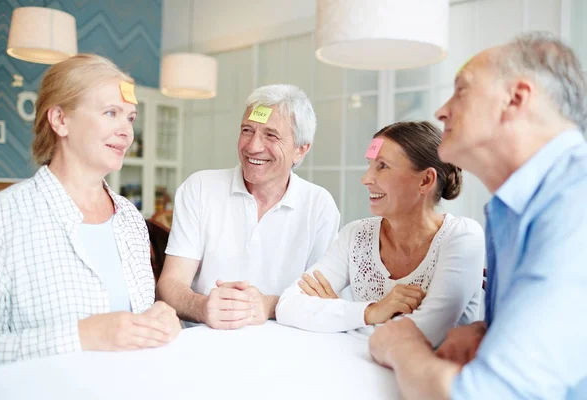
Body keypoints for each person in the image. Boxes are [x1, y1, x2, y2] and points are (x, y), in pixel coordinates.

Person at [369, 32, 587, 399]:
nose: (441, 110)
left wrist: (400, 344)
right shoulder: (513, 209)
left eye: (462, 90)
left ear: (515, 99)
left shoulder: (574, 205)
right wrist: (491, 332)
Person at [0, 54, 181, 367]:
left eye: (130, 118)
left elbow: (133, 326)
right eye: (110, 113)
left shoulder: (129, 218)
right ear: (60, 120)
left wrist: (161, 321)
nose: (126, 132)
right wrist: (82, 336)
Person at [276, 121, 485, 345]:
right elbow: (288, 306)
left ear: (425, 180)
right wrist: (371, 311)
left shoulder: (463, 237)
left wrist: (339, 318)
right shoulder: (356, 235)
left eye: (382, 166)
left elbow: (422, 335)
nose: (366, 179)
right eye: (369, 165)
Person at [157, 84, 340, 330]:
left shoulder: (319, 205)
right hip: (203, 346)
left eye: (271, 135)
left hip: (287, 349)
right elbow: (170, 284)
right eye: (247, 130)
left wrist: (269, 304)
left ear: (300, 149)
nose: (253, 146)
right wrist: (200, 306)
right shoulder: (199, 188)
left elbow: (322, 299)